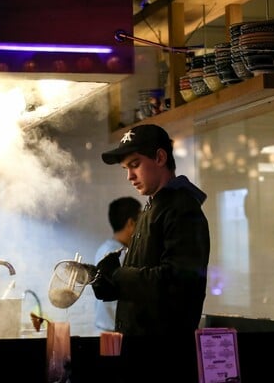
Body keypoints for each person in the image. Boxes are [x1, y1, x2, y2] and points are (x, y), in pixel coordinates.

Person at [92, 124, 210, 383]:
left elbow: (176, 282)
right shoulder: (152, 208)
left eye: (135, 164)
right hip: (141, 358)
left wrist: (120, 276)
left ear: (160, 158)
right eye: (126, 169)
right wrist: (108, 283)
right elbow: (144, 278)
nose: (129, 176)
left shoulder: (182, 210)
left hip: (165, 362)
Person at [94, 196, 142, 332]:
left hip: (104, 328)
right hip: (115, 332)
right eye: (141, 221)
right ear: (131, 223)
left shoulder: (103, 248)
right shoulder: (121, 255)